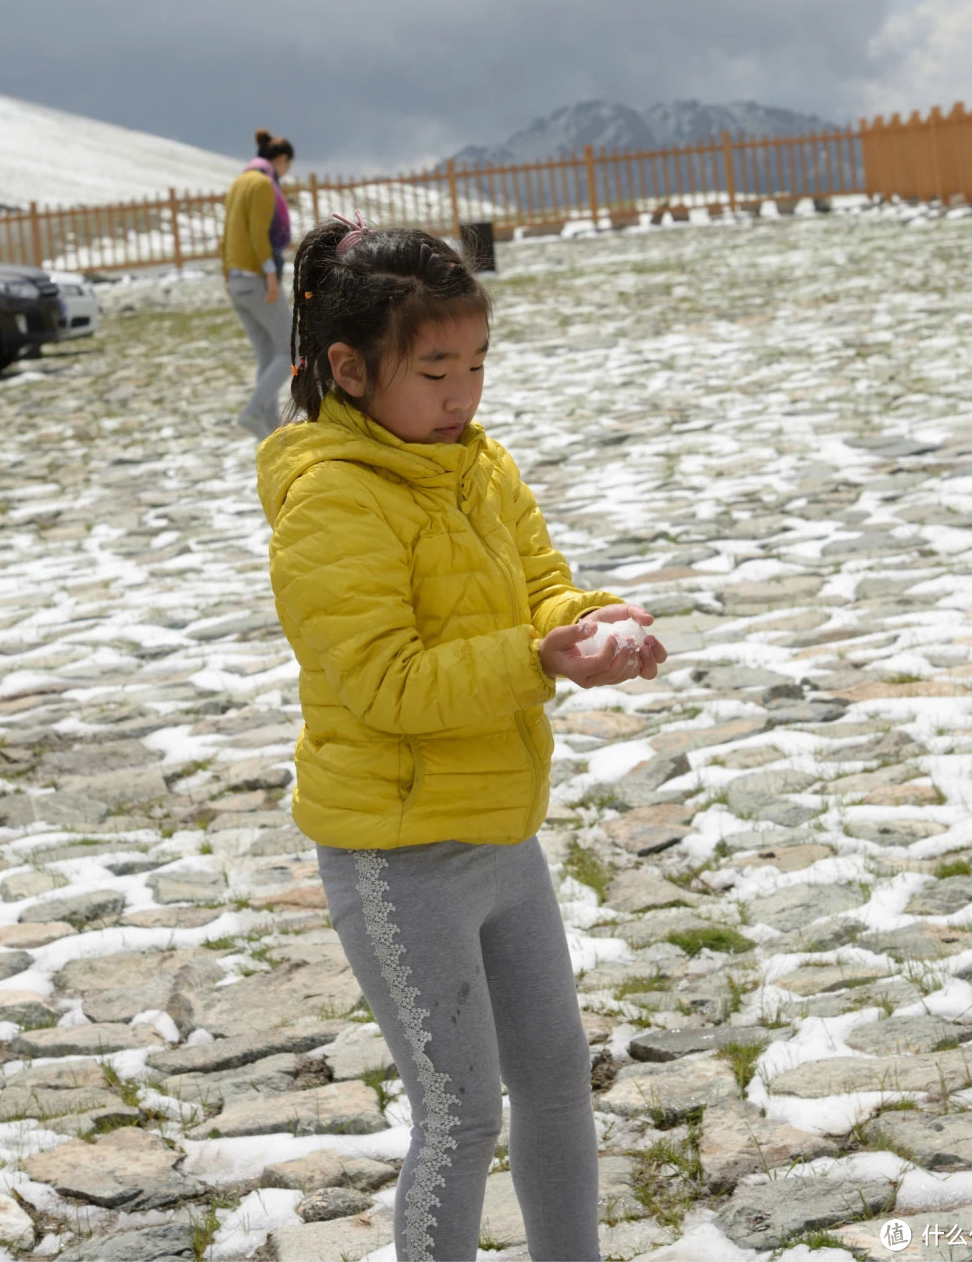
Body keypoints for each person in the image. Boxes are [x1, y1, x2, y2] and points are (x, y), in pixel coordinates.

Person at [256, 217, 668, 1262]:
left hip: (501, 832)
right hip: (400, 860)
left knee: (555, 1081)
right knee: (462, 1111)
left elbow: (542, 586)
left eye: (476, 365)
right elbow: (387, 683)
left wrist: (592, 625)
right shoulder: (330, 504)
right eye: (436, 369)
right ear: (349, 370)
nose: (463, 395)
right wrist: (539, 661)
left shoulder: (478, 468)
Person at [220, 128, 295, 439]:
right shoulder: (263, 185)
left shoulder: (239, 183)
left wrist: (226, 275)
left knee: (268, 354)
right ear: (280, 160)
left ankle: (272, 429)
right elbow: (257, 234)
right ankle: (252, 412)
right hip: (257, 279)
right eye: (287, 165)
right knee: (292, 350)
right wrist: (271, 276)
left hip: (237, 282)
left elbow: (227, 236)